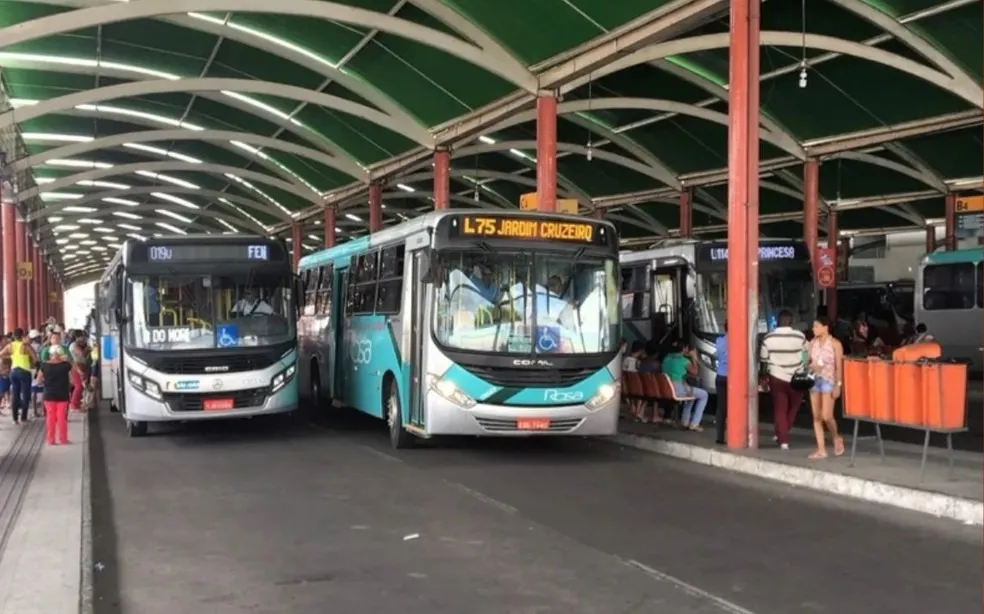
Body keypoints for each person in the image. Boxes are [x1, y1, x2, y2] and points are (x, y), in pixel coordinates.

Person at [761, 310, 808, 450]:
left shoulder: (768, 338)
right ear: (791, 321)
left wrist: (763, 378)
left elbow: (764, 361)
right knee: (794, 408)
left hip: (777, 377)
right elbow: (805, 356)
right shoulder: (800, 336)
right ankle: (784, 431)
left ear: (777, 321)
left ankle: (783, 441)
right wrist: (804, 368)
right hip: (797, 376)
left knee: (780, 409)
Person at [807, 316, 845, 459]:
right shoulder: (812, 343)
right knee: (816, 416)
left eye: (816, 326)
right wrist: (812, 366)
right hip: (815, 380)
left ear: (825, 327)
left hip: (829, 380)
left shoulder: (835, 344)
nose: (813, 329)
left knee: (827, 415)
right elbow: (807, 362)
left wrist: (838, 384)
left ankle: (836, 437)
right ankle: (821, 449)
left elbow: (839, 367)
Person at [661, 339, 709, 431]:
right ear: (684, 349)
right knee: (704, 395)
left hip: (667, 388)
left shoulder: (666, 358)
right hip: (678, 390)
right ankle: (695, 423)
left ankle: (685, 421)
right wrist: (694, 358)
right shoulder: (684, 361)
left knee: (690, 394)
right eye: (687, 348)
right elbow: (695, 372)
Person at [0, 328, 37, 425]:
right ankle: (23, 417)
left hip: (14, 372)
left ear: (14, 336)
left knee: (15, 395)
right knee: (26, 395)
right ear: (23, 336)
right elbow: (35, 358)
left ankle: (15, 419)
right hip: (25, 371)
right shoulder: (26, 346)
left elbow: (0, 355)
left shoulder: (10, 346)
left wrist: (11, 356)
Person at [38, 344, 71, 445]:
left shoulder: (44, 365)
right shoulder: (66, 366)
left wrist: (47, 380)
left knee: (50, 417)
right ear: (61, 354)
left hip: (49, 394)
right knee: (61, 417)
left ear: (50, 354)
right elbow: (72, 380)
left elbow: (39, 380)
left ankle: (50, 440)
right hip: (63, 394)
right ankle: (63, 439)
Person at [714, 323, 729, 445]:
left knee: (721, 408)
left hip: (720, 376)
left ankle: (720, 437)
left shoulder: (719, 340)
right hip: (733, 378)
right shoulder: (739, 341)